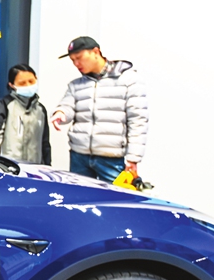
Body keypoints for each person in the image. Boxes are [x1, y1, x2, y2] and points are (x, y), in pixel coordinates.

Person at [51, 36, 148, 183]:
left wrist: (133, 158)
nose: (76, 64)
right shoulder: (76, 85)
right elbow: (67, 105)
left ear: (96, 52)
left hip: (111, 158)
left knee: (114, 202)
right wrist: (61, 113)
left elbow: (138, 120)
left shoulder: (128, 80)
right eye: (72, 60)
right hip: (79, 155)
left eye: (79, 57)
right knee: (79, 200)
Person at [0, 63, 51, 164]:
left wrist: (48, 167)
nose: (28, 85)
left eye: (31, 81)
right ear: (12, 85)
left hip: (36, 169)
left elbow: (45, 144)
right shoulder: (4, 105)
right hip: (10, 168)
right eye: (22, 83)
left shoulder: (40, 109)